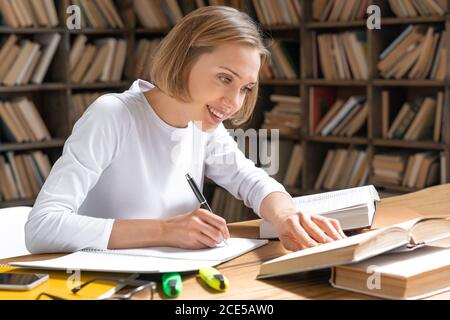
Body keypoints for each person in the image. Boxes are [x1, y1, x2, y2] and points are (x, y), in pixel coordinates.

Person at [25, 6, 346, 254]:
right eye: (224, 78)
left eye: (246, 88)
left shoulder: (202, 124)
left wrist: (286, 216)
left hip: (173, 280)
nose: (234, 102)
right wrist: (165, 230)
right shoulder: (113, 115)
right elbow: (42, 227)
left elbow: (249, 179)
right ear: (183, 60)